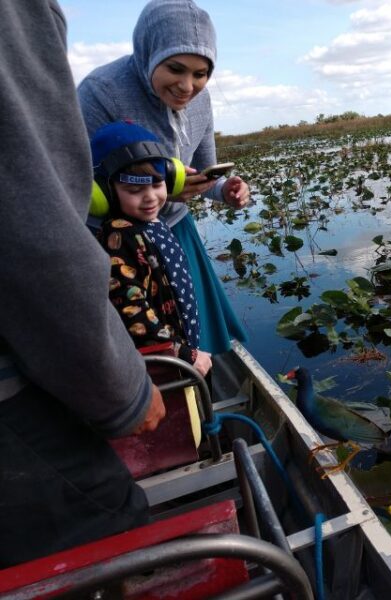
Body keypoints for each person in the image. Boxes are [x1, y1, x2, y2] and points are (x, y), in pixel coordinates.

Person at [0, 0, 165, 568]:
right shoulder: (114, 242)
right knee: (109, 535)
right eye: (135, 186)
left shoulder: (154, 230)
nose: (152, 196)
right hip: (15, 401)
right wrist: (125, 392)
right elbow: (37, 234)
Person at [78, 0, 249, 355]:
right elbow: (79, 188)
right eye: (175, 69)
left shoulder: (201, 101)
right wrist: (164, 191)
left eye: (201, 74)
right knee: (137, 344)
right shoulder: (100, 92)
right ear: (149, 53)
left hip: (173, 233)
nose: (187, 86)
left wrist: (223, 190)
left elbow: (202, 176)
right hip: (115, 244)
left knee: (190, 334)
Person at [92, 121, 213, 376]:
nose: (150, 197)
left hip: (180, 346)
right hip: (161, 361)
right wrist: (183, 353)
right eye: (134, 189)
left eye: (157, 185)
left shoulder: (155, 221)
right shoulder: (119, 235)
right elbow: (132, 310)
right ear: (105, 191)